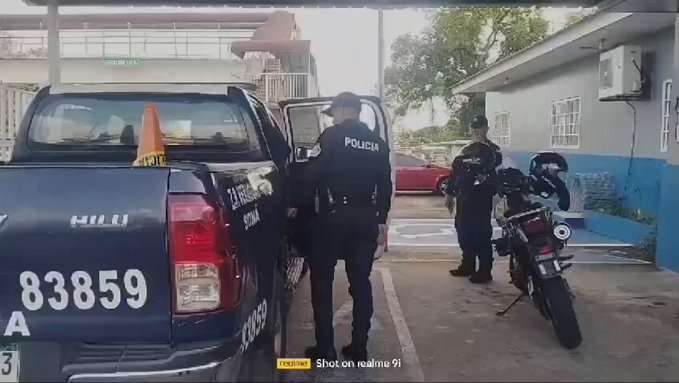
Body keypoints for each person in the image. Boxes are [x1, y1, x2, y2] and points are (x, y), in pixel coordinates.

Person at [302, 92, 392, 363]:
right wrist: (381, 220)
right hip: (366, 217)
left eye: (335, 113)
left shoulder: (331, 137)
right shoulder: (377, 143)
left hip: (332, 217)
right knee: (361, 283)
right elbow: (385, 186)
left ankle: (325, 348)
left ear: (343, 110)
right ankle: (359, 348)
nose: (335, 117)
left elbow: (311, 175)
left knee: (322, 281)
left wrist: (295, 205)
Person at [445, 114, 502, 284]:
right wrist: (450, 194)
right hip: (464, 197)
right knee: (463, 232)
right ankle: (467, 265)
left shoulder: (494, 150)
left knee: (481, 234)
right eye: (474, 128)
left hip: (481, 199)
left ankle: (485, 270)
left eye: (480, 128)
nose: (477, 131)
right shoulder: (465, 150)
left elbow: (496, 174)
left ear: (486, 128)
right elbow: (455, 173)